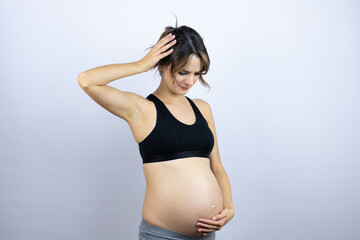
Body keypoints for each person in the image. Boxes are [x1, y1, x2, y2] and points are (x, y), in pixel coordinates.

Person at [77, 18, 235, 240]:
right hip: (162, 236)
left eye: (197, 74)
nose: (190, 81)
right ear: (161, 63)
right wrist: (142, 64)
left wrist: (229, 207)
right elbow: (87, 81)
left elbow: (216, 167)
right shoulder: (142, 109)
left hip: (206, 236)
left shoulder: (202, 108)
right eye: (183, 72)